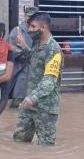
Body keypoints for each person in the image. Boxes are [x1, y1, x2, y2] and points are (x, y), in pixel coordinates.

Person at [12, 12, 63, 146]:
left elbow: (50, 80)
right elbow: (35, 59)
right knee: (19, 141)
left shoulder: (54, 49)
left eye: (33, 27)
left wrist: (32, 97)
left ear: (43, 28)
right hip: (29, 104)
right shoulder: (36, 43)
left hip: (45, 107)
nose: (29, 30)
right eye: (29, 26)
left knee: (46, 147)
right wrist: (24, 45)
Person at [7, 6, 37, 108]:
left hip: (35, 68)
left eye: (33, 17)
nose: (30, 19)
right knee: (18, 102)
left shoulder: (39, 31)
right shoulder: (17, 31)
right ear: (25, 16)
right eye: (29, 16)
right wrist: (23, 51)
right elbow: (11, 49)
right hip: (21, 67)